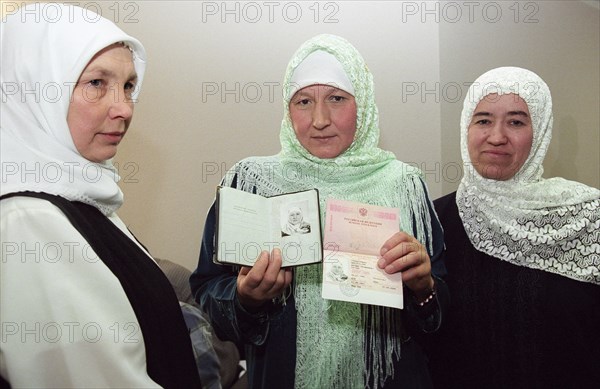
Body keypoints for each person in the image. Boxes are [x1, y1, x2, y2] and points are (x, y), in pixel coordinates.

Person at [190, 34, 447, 388]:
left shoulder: (404, 186)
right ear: (286, 108)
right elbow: (206, 293)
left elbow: (442, 317)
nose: (320, 119)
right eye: (304, 101)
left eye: (337, 99)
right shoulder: (251, 183)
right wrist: (245, 298)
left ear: (364, 104)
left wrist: (424, 287)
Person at [0, 4, 201, 388]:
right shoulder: (28, 220)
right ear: (31, 88)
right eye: (96, 83)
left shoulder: (77, 196)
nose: (124, 108)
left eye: (128, 85)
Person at [425, 66, 600, 388]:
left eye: (516, 122)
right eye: (483, 120)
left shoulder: (588, 219)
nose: (496, 137)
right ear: (466, 127)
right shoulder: (432, 221)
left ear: (541, 130)